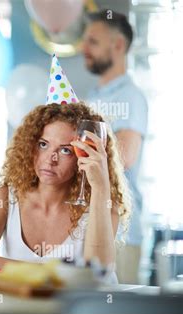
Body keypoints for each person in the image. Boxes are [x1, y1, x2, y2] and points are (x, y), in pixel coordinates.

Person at [0, 55, 131, 275]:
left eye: (65, 150)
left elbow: (100, 274)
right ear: (29, 145)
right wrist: (54, 272)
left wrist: (100, 187)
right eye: (43, 144)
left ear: (83, 156)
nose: (51, 158)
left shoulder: (102, 202)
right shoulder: (7, 199)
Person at [83, 10, 148, 284]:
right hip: (87, 228)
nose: (83, 48)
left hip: (120, 231)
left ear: (118, 46)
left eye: (93, 42)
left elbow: (126, 157)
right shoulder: (91, 97)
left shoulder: (130, 96)